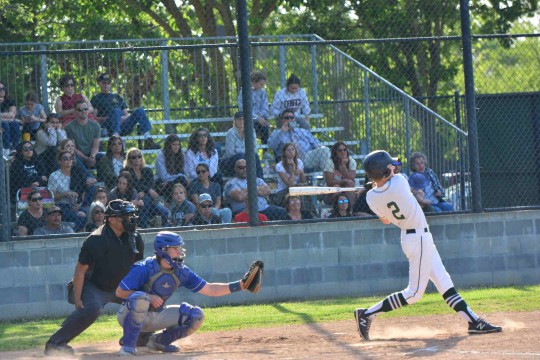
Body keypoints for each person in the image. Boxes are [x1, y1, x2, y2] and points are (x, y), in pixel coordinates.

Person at [353, 150, 502, 341]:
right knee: (414, 293)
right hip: (418, 240)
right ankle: (366, 314)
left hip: (413, 239)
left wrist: (373, 188)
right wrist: (377, 184)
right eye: (390, 166)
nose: (394, 167)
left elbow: (385, 220)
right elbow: (391, 180)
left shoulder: (371, 198)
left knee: (444, 281)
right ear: (383, 172)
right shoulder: (399, 182)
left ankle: (473, 321)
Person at [115, 231, 258, 355]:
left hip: (155, 315)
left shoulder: (181, 271)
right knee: (141, 298)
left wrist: (241, 285)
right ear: (163, 250)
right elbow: (120, 292)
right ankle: (128, 347)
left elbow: (210, 289)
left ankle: (158, 342)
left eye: (179, 248)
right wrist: (150, 297)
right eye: (175, 248)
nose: (179, 251)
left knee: (196, 315)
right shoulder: (144, 268)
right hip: (127, 315)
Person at [44, 199, 144, 356]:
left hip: (121, 286)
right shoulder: (96, 240)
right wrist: (78, 299)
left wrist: (143, 291)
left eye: (131, 216)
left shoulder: (135, 237)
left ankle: (142, 338)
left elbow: (138, 269)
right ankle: (55, 343)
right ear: (111, 219)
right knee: (91, 309)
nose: (130, 220)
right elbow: (80, 271)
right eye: (125, 216)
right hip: (95, 286)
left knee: (146, 298)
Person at [90, 73, 158, 149]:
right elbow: (94, 117)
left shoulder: (117, 97)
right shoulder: (96, 98)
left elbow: (126, 114)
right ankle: (115, 137)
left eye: (108, 83)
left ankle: (148, 139)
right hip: (109, 126)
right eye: (104, 83)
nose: (106, 85)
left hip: (123, 126)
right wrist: (110, 118)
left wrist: (120, 118)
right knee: (116, 111)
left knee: (140, 110)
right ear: (99, 83)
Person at [47, 150, 93, 231]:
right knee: (81, 216)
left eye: (71, 158)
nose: (69, 160)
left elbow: (83, 192)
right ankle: (71, 233)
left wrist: (79, 203)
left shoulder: (77, 173)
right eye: (65, 158)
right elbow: (52, 197)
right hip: (60, 206)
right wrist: (66, 194)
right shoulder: (54, 176)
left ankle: (74, 231)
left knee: (90, 212)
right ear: (59, 161)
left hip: (76, 205)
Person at [123, 148, 169, 228]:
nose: (137, 158)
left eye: (139, 156)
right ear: (129, 159)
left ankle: (153, 225)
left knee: (165, 212)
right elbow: (132, 185)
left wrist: (144, 192)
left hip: (149, 201)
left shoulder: (147, 170)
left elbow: (151, 185)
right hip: (132, 199)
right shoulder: (126, 172)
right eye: (134, 157)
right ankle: (143, 227)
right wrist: (147, 190)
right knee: (146, 199)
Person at [221, 111, 263, 178]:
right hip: (229, 162)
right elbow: (230, 153)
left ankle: (260, 180)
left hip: (246, 160)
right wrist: (245, 152)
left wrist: (237, 150)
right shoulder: (230, 133)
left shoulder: (251, 131)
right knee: (240, 156)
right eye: (239, 119)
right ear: (235, 121)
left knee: (255, 156)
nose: (241, 121)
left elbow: (254, 150)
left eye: (243, 119)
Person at [64, 100, 102, 170]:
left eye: (85, 109)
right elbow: (73, 148)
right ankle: (89, 178)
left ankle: (103, 180)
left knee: (103, 158)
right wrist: (86, 159)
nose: (83, 111)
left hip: (91, 155)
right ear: (75, 111)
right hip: (78, 155)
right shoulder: (69, 127)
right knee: (74, 159)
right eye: (80, 110)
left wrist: (92, 157)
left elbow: (95, 147)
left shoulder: (96, 126)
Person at [237, 71, 270, 145]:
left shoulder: (262, 92)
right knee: (251, 127)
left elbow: (265, 107)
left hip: (261, 117)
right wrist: (257, 118)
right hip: (249, 118)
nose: (262, 86)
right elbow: (243, 109)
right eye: (260, 84)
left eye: (263, 85)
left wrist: (260, 116)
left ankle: (265, 151)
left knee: (266, 126)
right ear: (254, 82)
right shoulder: (244, 91)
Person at [155, 134, 189, 203]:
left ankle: (185, 204)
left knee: (184, 180)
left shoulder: (181, 154)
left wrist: (181, 176)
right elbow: (164, 177)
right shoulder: (161, 156)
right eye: (174, 144)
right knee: (181, 179)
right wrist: (180, 176)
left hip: (174, 182)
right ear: (168, 145)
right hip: (163, 184)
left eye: (178, 145)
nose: (177, 147)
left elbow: (185, 172)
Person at [324, 141, 357, 206]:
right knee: (337, 187)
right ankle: (337, 211)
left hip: (346, 188)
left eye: (345, 150)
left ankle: (351, 210)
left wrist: (343, 166)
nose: (343, 152)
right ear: (335, 152)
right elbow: (329, 182)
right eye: (340, 150)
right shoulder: (330, 162)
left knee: (349, 185)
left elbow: (351, 179)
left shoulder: (352, 161)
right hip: (330, 191)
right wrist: (344, 181)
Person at [0, 80, 19, 157]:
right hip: (5, 122)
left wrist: (1, 115)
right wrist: (6, 116)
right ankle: (6, 149)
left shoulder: (10, 100)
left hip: (8, 121)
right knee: (5, 124)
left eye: (2, 89)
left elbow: (12, 115)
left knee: (15, 124)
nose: (1, 91)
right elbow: (10, 116)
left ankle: (14, 148)